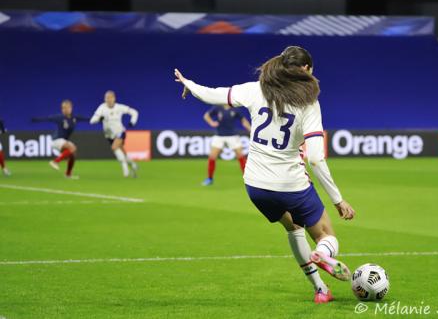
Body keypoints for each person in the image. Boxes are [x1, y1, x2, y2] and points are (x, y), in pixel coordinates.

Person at [174, 46, 356, 304]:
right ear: (305, 70)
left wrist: (188, 84)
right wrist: (338, 199)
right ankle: (323, 254)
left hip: (256, 185)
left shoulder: (256, 89)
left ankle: (320, 289)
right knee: (326, 235)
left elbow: (214, 94)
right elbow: (315, 157)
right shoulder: (309, 103)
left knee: (293, 229)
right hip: (291, 184)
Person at [32, 100, 88, 179]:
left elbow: (87, 119)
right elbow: (47, 118)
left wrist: (99, 119)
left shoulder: (74, 118)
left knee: (73, 155)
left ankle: (68, 174)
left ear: (71, 108)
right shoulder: (60, 117)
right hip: (55, 140)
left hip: (63, 141)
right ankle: (55, 162)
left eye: (67, 107)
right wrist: (35, 119)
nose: (65, 109)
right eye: (63, 108)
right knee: (72, 148)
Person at [90, 90, 139, 178]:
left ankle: (126, 172)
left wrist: (132, 122)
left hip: (120, 132)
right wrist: (98, 119)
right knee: (122, 152)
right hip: (109, 135)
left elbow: (134, 112)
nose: (108, 100)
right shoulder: (102, 107)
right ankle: (133, 165)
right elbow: (92, 121)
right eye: (106, 98)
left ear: (114, 98)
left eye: (110, 98)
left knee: (114, 147)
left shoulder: (119, 107)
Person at [202, 105, 251, 186]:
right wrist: (211, 122)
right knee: (212, 156)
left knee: (241, 156)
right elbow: (206, 116)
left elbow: (244, 121)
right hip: (219, 136)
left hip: (232, 136)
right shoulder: (217, 108)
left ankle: (248, 179)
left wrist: (250, 129)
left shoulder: (235, 109)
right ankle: (209, 179)